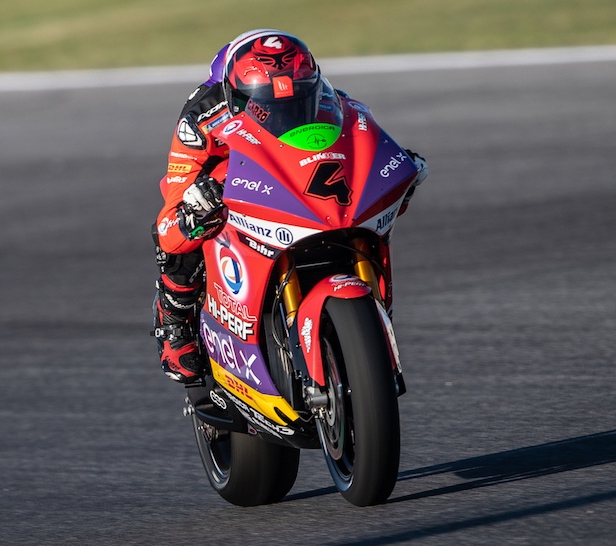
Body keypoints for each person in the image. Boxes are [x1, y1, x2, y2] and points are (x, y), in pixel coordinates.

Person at [152, 29, 426, 384]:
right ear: (238, 98)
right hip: (232, 177)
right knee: (186, 224)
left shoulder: (334, 100)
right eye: (269, 100)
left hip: (294, 176)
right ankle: (174, 318)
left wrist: (396, 166)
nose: (287, 103)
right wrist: (195, 207)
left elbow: (360, 139)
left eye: (299, 92)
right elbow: (169, 223)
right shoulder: (199, 121)